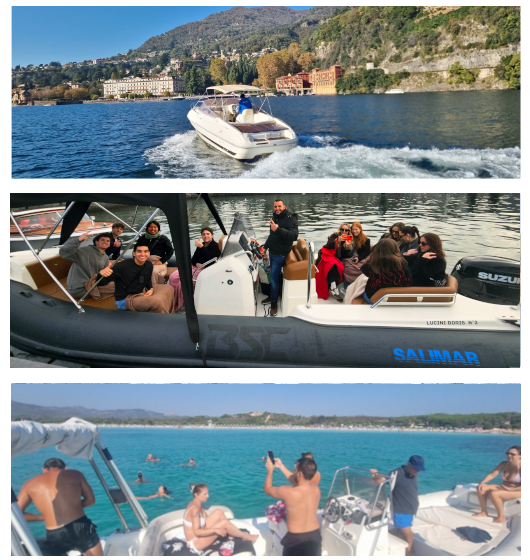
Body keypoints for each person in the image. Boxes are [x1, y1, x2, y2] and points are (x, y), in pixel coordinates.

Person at [17, 458, 103, 557]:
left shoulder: (28, 484)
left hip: (54, 533)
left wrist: (47, 516)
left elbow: (18, 515)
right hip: (79, 527)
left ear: (44, 469)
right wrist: (73, 509)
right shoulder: (75, 474)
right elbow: (90, 500)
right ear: (65, 468)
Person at [265, 456, 321, 556]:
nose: (294, 471)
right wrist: (281, 466)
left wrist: (270, 470)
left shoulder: (289, 492)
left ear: (300, 473)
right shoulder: (315, 488)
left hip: (296, 540)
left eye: (295, 469)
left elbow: (267, 489)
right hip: (315, 536)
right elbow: (297, 480)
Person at [371, 456, 426, 557]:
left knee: (399, 530)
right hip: (401, 511)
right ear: (408, 464)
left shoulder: (414, 473)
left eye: (419, 469)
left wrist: (417, 501)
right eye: (415, 468)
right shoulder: (396, 473)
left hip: (412, 509)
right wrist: (375, 476)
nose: (417, 471)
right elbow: (380, 482)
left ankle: (385, 537)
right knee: (409, 539)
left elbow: (412, 488)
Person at [97, 243, 175, 313]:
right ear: (134, 253)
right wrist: (101, 274)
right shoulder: (122, 266)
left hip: (140, 292)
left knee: (169, 288)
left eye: (145, 251)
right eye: (139, 251)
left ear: (149, 253)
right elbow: (101, 283)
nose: (142, 254)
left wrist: (151, 289)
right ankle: (163, 321)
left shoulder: (148, 265)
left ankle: (170, 313)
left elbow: (147, 279)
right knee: (157, 302)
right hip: (125, 299)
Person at [183, 484, 259, 553]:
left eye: (207, 493)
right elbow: (197, 532)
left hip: (201, 533)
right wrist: (216, 529)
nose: (208, 496)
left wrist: (217, 526)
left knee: (218, 512)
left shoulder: (198, 504)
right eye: (205, 494)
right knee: (224, 523)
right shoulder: (194, 509)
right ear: (196, 495)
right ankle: (245, 537)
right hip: (196, 542)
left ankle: (230, 532)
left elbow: (206, 519)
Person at [169, 227, 221, 313]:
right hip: (195, 267)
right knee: (172, 277)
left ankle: (181, 305)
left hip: (204, 270)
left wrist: (201, 247)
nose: (205, 236)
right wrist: (196, 263)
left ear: (212, 235)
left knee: (182, 283)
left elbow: (210, 259)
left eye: (208, 234)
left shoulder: (215, 247)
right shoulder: (202, 245)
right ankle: (172, 299)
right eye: (203, 234)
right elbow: (193, 259)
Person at [262, 199, 299, 317]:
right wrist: (265, 247)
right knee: (274, 276)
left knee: (273, 278)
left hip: (280, 253)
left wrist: (278, 229)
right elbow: (272, 235)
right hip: (273, 251)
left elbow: (294, 236)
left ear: (284, 206)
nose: (277, 208)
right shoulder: (276, 217)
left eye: (279, 206)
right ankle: (274, 295)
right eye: (275, 207)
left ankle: (274, 302)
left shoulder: (291, 218)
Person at [59, 232, 115, 300]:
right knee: (118, 287)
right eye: (102, 240)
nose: (105, 242)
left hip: (93, 283)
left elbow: (103, 276)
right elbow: (64, 252)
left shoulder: (105, 257)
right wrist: (78, 240)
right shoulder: (84, 251)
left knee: (118, 283)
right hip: (79, 288)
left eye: (107, 241)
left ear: (109, 244)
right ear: (96, 242)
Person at [473, 446, 521, 524]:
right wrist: (482, 482)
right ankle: (484, 512)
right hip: (504, 486)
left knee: (494, 493)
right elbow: (492, 474)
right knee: (481, 488)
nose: (509, 455)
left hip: (517, 490)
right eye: (508, 453)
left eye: (512, 454)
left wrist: (511, 489)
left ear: (520, 456)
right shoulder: (504, 464)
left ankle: (501, 516)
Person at [361, 239, 412, 304]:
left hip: (374, 296)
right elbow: (408, 280)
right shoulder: (402, 263)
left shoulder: (371, 264)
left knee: (361, 283)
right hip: (397, 297)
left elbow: (363, 270)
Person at [317, 223, 353, 302]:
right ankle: (333, 288)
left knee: (337, 266)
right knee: (331, 264)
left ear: (348, 231)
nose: (344, 231)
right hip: (325, 254)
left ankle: (333, 286)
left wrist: (346, 246)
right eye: (342, 229)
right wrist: (337, 240)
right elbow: (329, 245)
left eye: (346, 230)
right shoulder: (334, 235)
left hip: (334, 257)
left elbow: (343, 254)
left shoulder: (348, 240)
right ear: (340, 229)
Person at [136, 220, 174, 286]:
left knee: (153, 271)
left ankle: (153, 287)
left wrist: (161, 261)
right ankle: (140, 288)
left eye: (155, 227)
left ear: (158, 228)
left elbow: (170, 251)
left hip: (158, 261)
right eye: (150, 227)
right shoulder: (142, 238)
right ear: (147, 228)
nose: (153, 229)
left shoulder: (163, 239)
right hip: (144, 260)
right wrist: (137, 260)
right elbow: (136, 250)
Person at [344, 222, 371, 287]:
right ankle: (347, 283)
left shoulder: (366, 239)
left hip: (361, 256)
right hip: (350, 256)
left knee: (359, 269)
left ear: (360, 229)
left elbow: (366, 252)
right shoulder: (349, 237)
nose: (354, 231)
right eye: (353, 229)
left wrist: (359, 259)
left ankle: (356, 283)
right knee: (346, 266)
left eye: (356, 229)